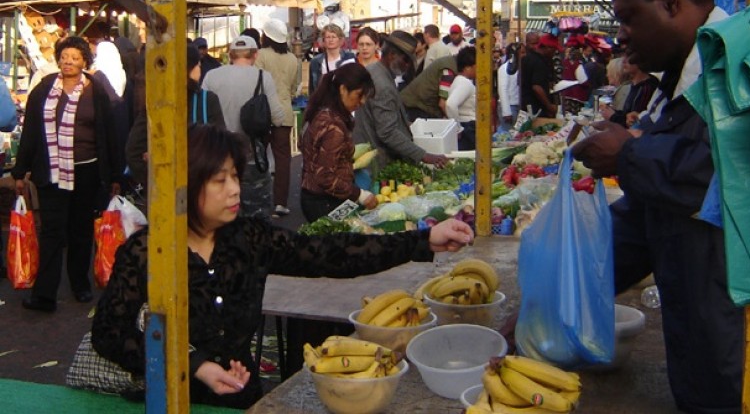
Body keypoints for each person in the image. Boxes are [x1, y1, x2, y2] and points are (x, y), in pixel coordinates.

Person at [91, 123, 473, 409]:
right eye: (219, 180)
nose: (235, 189)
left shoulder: (249, 238)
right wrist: (195, 364)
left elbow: (333, 253)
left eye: (236, 177)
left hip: (246, 401)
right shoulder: (148, 251)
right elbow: (108, 333)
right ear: (187, 185)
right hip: (172, 402)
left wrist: (423, 241)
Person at [571, 0, 741, 414]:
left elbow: (726, 178)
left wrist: (630, 157)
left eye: (628, 17)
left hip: (740, 331)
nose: (621, 35)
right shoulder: (681, 83)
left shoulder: (740, 69)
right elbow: (647, 217)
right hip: (699, 326)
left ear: (669, 1)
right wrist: (569, 290)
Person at [12, 36, 122, 312]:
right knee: (51, 231)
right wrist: (19, 171)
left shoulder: (96, 91)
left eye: (75, 57)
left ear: (85, 61)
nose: (68, 62)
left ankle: (80, 285)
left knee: (80, 230)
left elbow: (109, 133)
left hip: (87, 171)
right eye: (64, 56)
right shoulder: (43, 90)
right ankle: (44, 294)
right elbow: (31, 133)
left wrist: (115, 176)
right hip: (50, 172)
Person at [202, 36, 285, 219]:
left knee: (222, 215)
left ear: (230, 55)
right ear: (255, 55)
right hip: (252, 155)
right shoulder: (263, 77)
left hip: (218, 154)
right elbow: (278, 117)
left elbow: (202, 111)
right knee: (257, 216)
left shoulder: (211, 76)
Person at [126, 44, 226, 188]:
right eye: (198, 65)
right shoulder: (207, 100)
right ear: (189, 68)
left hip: (164, 189)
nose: (200, 69)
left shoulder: (157, 102)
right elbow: (220, 144)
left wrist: (155, 177)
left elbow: (133, 151)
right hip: (200, 186)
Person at [352, 31, 448, 172]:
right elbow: (387, 132)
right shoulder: (382, 84)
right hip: (376, 161)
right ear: (392, 55)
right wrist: (424, 155)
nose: (408, 65)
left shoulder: (375, 71)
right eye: (405, 60)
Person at [300, 63, 377, 222]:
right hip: (325, 201)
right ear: (343, 89)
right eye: (358, 95)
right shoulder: (333, 128)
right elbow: (325, 177)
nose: (362, 101)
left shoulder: (322, 112)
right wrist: (360, 195)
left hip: (312, 196)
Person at [254, 18, 301, 217]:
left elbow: (255, 80)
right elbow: (294, 88)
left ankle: (259, 198)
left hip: (264, 112)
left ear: (266, 36)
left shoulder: (261, 55)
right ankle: (281, 203)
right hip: (285, 113)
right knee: (283, 159)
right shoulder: (293, 59)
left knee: (259, 156)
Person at [600, 55, 659, 128]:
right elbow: (628, 115)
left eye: (629, 56)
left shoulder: (646, 88)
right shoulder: (636, 85)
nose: (624, 61)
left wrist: (613, 116)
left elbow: (634, 123)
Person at [399, 50, 457, 121]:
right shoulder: (449, 71)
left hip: (412, 101)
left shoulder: (447, 62)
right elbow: (442, 104)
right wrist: (454, 122)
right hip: (418, 107)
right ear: (468, 67)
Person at [514, 33, 559, 118]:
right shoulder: (538, 62)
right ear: (548, 48)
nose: (554, 53)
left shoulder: (527, 59)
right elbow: (536, 87)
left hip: (527, 106)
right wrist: (549, 106)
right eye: (554, 50)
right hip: (536, 109)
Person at [445, 46, 477, 150]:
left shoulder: (459, 81)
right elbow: (450, 104)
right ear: (467, 67)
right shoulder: (465, 83)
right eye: (476, 66)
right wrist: (457, 129)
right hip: (468, 128)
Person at [309, 24, 355, 94]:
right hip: (323, 101)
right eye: (328, 37)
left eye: (334, 37)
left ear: (340, 40)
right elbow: (312, 88)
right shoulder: (315, 61)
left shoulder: (349, 57)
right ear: (323, 41)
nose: (331, 40)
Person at [498, 43, 521, 131]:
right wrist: (506, 112)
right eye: (521, 53)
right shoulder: (504, 68)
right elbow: (502, 90)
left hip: (517, 105)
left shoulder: (520, 68)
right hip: (510, 107)